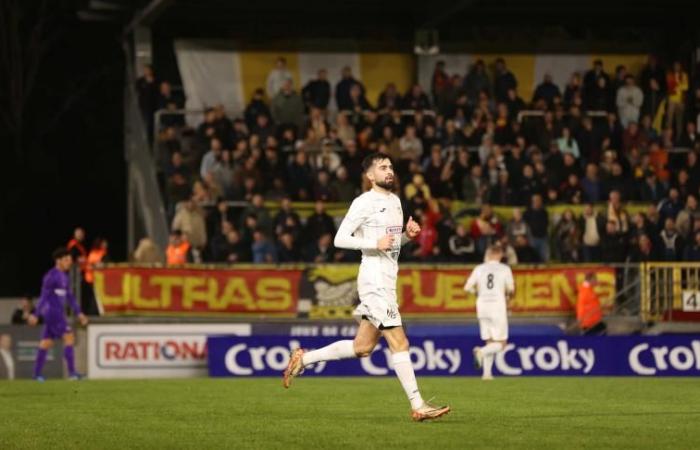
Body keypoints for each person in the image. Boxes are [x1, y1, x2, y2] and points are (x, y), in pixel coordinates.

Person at [283, 153, 450, 422]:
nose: (389, 171)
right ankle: (418, 405)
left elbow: (391, 245)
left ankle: (304, 359)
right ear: (370, 176)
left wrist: (407, 236)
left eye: (391, 166)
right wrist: (373, 244)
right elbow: (339, 239)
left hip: (387, 280)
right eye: (382, 167)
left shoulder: (395, 202)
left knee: (362, 347)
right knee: (400, 341)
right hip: (373, 281)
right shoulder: (363, 202)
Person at [28, 248, 89, 381]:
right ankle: (72, 374)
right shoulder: (51, 276)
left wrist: (79, 313)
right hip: (53, 314)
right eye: (66, 260)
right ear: (58, 261)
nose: (69, 263)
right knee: (69, 338)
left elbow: (70, 297)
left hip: (56, 313)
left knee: (45, 343)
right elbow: (43, 297)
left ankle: (36, 374)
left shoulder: (64, 277)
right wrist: (36, 314)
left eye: (70, 261)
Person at [465, 244, 515, 380]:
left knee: (490, 340)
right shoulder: (505, 269)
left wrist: (477, 293)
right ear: (499, 255)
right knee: (501, 343)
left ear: (489, 254)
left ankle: (487, 374)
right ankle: (480, 351)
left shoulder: (480, 268)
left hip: (482, 306)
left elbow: (467, 287)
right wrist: (509, 298)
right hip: (497, 306)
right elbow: (511, 289)